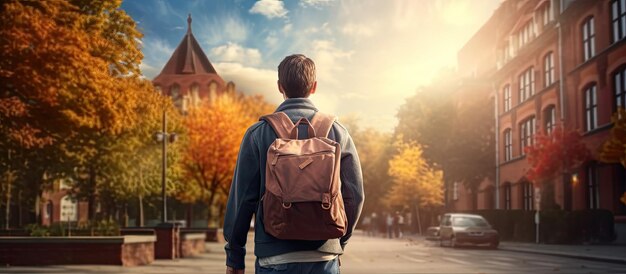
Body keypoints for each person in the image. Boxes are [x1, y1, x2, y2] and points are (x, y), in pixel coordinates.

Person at [223, 54, 365, 274]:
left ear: (280, 87)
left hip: (274, 257)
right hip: (324, 257)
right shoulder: (338, 132)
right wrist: (338, 243)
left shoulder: (257, 134)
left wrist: (234, 256)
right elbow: (355, 196)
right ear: (314, 87)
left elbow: (242, 200)